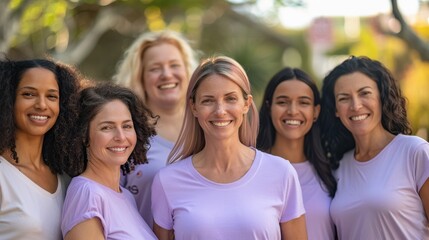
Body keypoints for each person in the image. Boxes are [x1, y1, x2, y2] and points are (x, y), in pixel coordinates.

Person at [151, 56, 307, 240]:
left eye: (230, 99)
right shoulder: (167, 181)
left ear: (246, 104)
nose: (220, 111)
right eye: (208, 100)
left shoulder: (281, 173)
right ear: (194, 107)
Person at [319, 55, 429, 239]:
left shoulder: (414, 152)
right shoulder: (339, 167)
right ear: (336, 110)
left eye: (365, 93)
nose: (356, 105)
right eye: (344, 98)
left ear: (381, 97)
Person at [113, 30, 198, 227]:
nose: (167, 74)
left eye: (174, 65)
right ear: (140, 77)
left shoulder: (207, 126)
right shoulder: (126, 134)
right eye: (155, 68)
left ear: (187, 71)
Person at [61, 83, 157, 240]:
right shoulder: (87, 194)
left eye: (126, 126)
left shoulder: (126, 196)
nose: (120, 137)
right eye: (107, 128)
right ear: (84, 135)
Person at [0, 57, 81, 239]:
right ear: (8, 99)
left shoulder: (67, 176)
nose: (42, 105)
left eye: (51, 96)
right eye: (29, 94)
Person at [257, 67, 336, 239]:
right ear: (269, 107)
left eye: (304, 102)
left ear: (316, 112)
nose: (293, 110)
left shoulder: (332, 171)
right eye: (283, 102)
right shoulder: (251, 169)